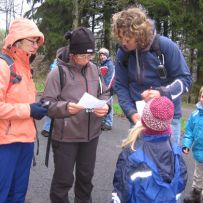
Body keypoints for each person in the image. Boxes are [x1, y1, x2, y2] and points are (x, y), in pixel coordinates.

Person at [42, 27, 110, 203]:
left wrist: (105, 107)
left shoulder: (94, 69)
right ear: (72, 53)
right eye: (83, 56)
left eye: (91, 56)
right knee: (63, 181)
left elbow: (104, 93)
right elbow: (46, 104)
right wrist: (65, 108)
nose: (87, 60)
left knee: (85, 180)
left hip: (91, 136)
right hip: (65, 137)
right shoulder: (58, 73)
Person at [112, 7, 192, 144]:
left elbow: (185, 80)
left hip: (168, 119)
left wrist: (162, 92)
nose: (123, 43)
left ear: (139, 33)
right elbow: (120, 86)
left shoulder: (165, 46)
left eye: (127, 39)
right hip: (139, 119)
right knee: (138, 163)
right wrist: (132, 114)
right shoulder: (123, 53)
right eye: (120, 38)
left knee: (166, 163)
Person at [0, 18, 48, 202]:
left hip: (26, 140)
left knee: (18, 194)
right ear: (18, 40)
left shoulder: (25, 68)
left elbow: (22, 101)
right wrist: (29, 110)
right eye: (32, 41)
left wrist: (39, 107)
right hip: (5, 143)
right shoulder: (4, 66)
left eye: (37, 42)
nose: (36, 46)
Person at [110, 96, 188, 203]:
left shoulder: (131, 154)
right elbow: (180, 184)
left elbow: (120, 194)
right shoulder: (176, 151)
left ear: (144, 119)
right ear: (168, 123)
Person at [182, 86, 203, 203]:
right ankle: (196, 195)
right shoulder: (194, 115)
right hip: (199, 153)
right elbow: (189, 131)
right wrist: (186, 145)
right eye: (202, 96)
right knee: (198, 176)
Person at [98, 47, 115, 131]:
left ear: (107, 56)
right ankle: (104, 121)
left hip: (108, 89)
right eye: (100, 55)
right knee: (104, 105)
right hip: (103, 89)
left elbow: (111, 78)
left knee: (109, 106)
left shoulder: (109, 64)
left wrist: (107, 89)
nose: (102, 56)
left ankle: (109, 123)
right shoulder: (102, 65)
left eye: (103, 55)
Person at [41, 58, 58, 137]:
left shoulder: (54, 68)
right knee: (51, 110)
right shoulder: (56, 69)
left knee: (51, 110)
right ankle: (47, 129)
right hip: (53, 93)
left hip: (50, 92)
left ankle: (47, 129)